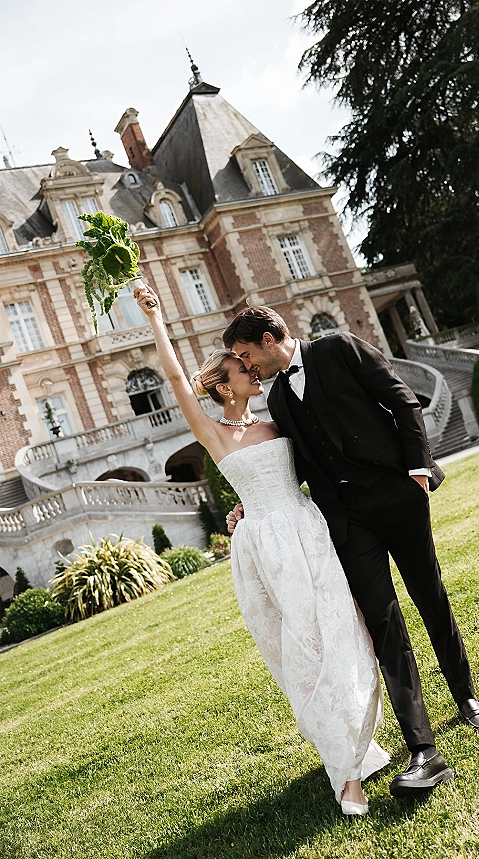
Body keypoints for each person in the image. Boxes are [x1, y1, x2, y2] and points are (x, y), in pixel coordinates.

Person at [133, 282, 390, 816]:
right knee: (301, 651)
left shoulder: (278, 421)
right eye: (241, 370)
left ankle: (359, 744)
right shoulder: (213, 435)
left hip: (308, 529)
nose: (253, 371)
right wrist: (155, 316)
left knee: (343, 632)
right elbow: (178, 378)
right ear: (224, 388)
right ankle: (345, 776)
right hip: (266, 549)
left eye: (250, 364)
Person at [223, 305, 479, 798]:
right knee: (384, 624)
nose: (248, 366)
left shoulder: (338, 347)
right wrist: (248, 504)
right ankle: (422, 748)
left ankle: (467, 697)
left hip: (398, 496)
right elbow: (303, 462)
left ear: (268, 338)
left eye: (246, 354)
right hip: (348, 523)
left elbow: (403, 400)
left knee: (430, 597)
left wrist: (418, 471)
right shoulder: (281, 398)